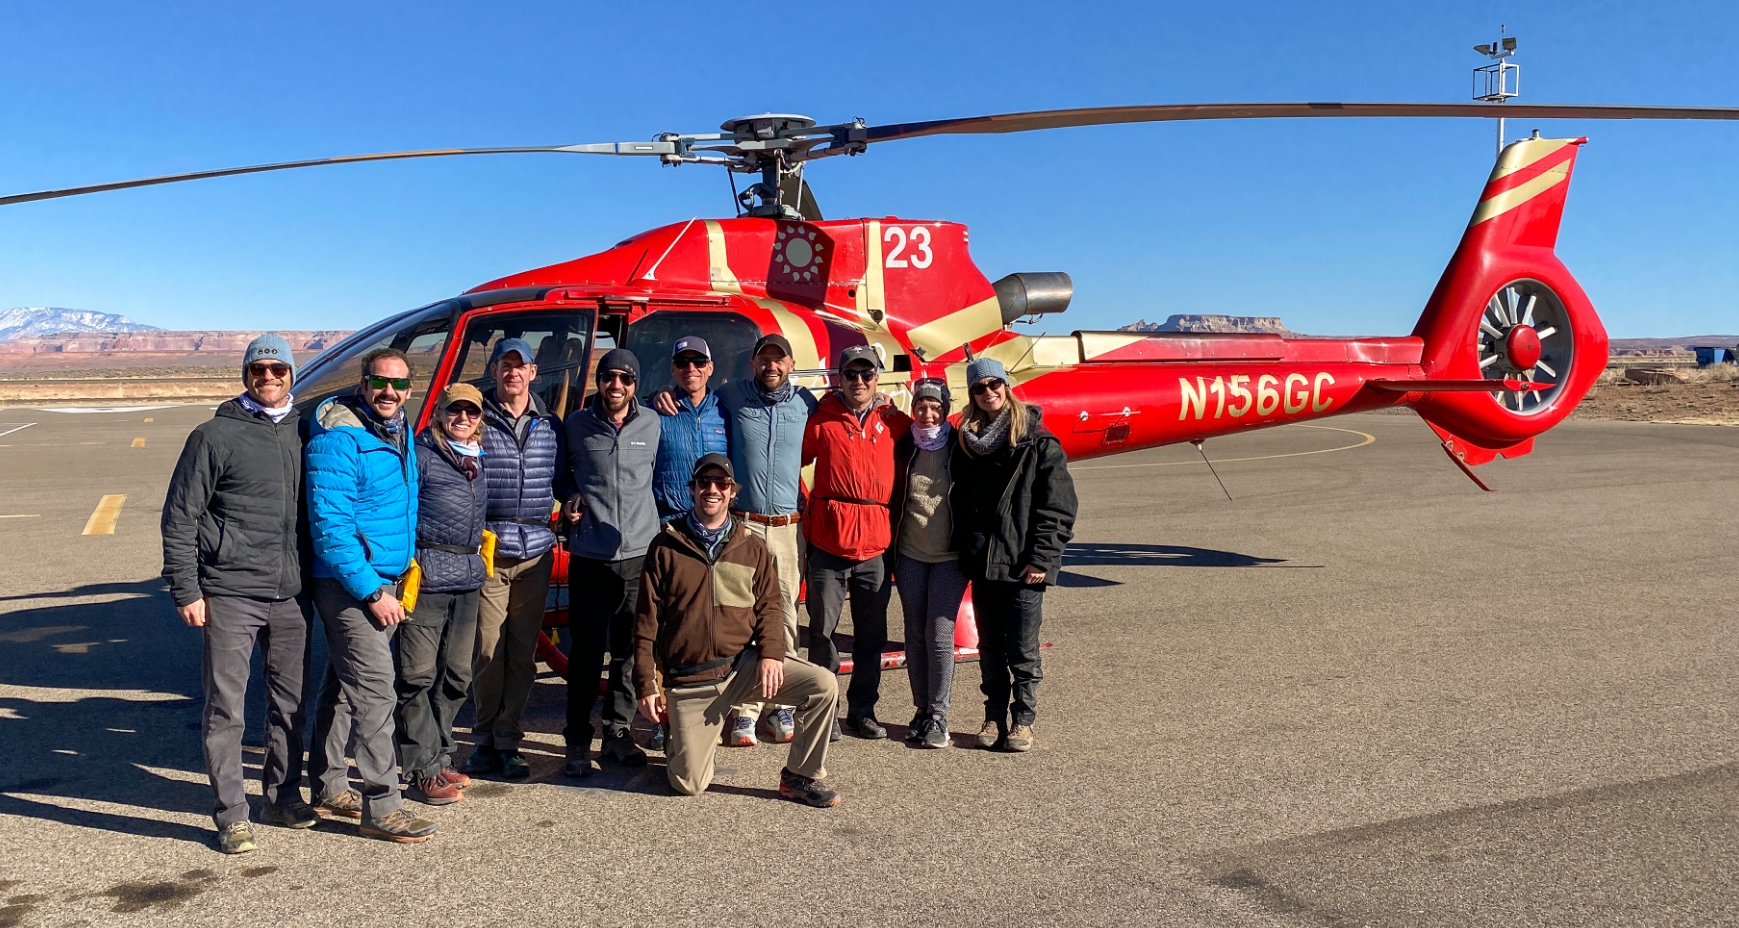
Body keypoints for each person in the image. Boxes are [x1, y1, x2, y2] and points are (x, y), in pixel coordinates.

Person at [161, 334, 317, 854]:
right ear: (245, 375)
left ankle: (283, 794)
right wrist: (186, 587)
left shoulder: (307, 430)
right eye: (258, 370)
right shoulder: (213, 436)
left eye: (278, 369)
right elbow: (180, 517)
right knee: (226, 708)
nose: (268, 377)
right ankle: (231, 813)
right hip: (229, 590)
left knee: (290, 704)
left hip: (293, 592)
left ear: (293, 374)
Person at [632, 453, 842, 806]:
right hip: (691, 680)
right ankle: (679, 737)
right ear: (693, 490)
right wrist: (646, 684)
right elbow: (645, 623)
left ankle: (800, 777)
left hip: (741, 668)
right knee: (689, 784)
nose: (712, 489)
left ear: (732, 492)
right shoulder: (665, 547)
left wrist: (772, 654)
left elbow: (770, 607)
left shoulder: (751, 547)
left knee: (822, 685)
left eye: (721, 484)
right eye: (704, 483)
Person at [305, 348, 436, 842]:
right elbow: (331, 529)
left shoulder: (398, 433)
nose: (389, 392)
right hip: (351, 584)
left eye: (399, 385)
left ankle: (327, 782)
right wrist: (371, 591)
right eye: (380, 382)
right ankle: (382, 804)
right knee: (377, 690)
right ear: (363, 384)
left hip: (385, 578)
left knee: (342, 685)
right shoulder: (340, 440)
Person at [950, 358, 1078, 753]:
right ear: (971, 395)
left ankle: (1023, 720)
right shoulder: (968, 443)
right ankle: (993, 714)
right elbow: (961, 503)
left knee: (1023, 649)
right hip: (985, 563)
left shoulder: (1038, 442)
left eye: (994, 384)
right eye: (979, 387)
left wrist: (1042, 558)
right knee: (990, 648)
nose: (988, 392)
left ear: (1006, 386)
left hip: (1024, 566)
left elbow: (1057, 507)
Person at [703, 333, 818, 747]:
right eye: (764, 359)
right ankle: (744, 709)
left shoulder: (807, 404)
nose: (771, 366)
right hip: (744, 524)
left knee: (784, 614)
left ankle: (780, 704)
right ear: (753, 364)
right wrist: (665, 396)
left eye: (779, 360)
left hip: (787, 527)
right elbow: (694, 401)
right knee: (740, 614)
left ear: (790, 364)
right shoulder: (731, 396)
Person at [468, 337, 567, 781]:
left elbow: (564, 479)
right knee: (488, 649)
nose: (513, 373)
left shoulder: (551, 425)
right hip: (491, 548)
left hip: (536, 552)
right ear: (494, 371)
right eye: (505, 365)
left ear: (532, 372)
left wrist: (577, 503)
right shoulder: (476, 421)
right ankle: (484, 738)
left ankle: (508, 740)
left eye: (520, 365)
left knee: (523, 653)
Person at [801, 344, 912, 740]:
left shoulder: (895, 422)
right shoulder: (821, 420)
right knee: (822, 633)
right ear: (840, 378)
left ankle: (862, 710)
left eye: (867, 374)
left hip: (875, 547)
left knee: (871, 636)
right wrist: (806, 503)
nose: (859, 381)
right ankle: (823, 710)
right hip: (829, 543)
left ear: (877, 378)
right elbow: (790, 461)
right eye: (851, 374)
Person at [560, 347, 660, 777]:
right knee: (584, 653)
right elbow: (560, 473)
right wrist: (568, 499)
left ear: (635, 384)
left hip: (638, 554)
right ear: (598, 381)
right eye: (608, 377)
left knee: (626, 651)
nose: (616, 385)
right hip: (591, 555)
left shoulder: (653, 423)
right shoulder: (577, 425)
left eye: (625, 378)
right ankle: (577, 740)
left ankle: (616, 733)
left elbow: (664, 474)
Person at [394, 383, 489, 806]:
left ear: (479, 418)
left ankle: (441, 753)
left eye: (471, 412)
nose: (462, 418)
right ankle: (420, 769)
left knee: (455, 676)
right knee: (417, 676)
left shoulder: (478, 460)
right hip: (429, 576)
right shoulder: (421, 457)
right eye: (455, 411)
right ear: (440, 414)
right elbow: (403, 511)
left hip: (468, 577)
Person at [890, 378, 965, 749]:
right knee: (914, 635)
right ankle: (920, 711)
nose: (928, 412)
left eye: (935, 406)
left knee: (939, 634)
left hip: (950, 556)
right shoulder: (904, 446)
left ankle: (939, 715)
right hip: (910, 553)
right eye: (921, 405)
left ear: (945, 408)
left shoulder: (961, 445)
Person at [650, 336, 728, 522]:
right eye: (682, 362)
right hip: (669, 522)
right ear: (673, 369)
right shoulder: (653, 414)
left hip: (715, 521)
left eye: (699, 362)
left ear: (710, 368)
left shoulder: (727, 411)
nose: (691, 368)